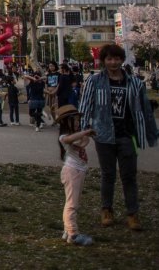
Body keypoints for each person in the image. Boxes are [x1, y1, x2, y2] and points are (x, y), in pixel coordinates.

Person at [79, 43, 157, 231]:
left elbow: (145, 109)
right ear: (103, 61)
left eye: (116, 59)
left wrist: (148, 132)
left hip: (127, 135)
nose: (113, 62)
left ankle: (133, 213)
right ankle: (107, 209)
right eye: (109, 59)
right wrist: (83, 131)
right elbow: (85, 106)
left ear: (122, 60)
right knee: (108, 174)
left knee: (129, 176)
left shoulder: (134, 83)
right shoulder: (94, 81)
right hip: (103, 135)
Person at [56, 104, 95, 246]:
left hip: (78, 172)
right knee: (71, 204)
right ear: (67, 122)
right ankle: (73, 234)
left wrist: (86, 133)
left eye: (79, 120)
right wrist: (85, 133)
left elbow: (83, 141)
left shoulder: (77, 135)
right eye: (76, 120)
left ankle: (68, 230)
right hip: (71, 171)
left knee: (73, 203)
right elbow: (69, 140)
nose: (78, 122)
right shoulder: (63, 136)